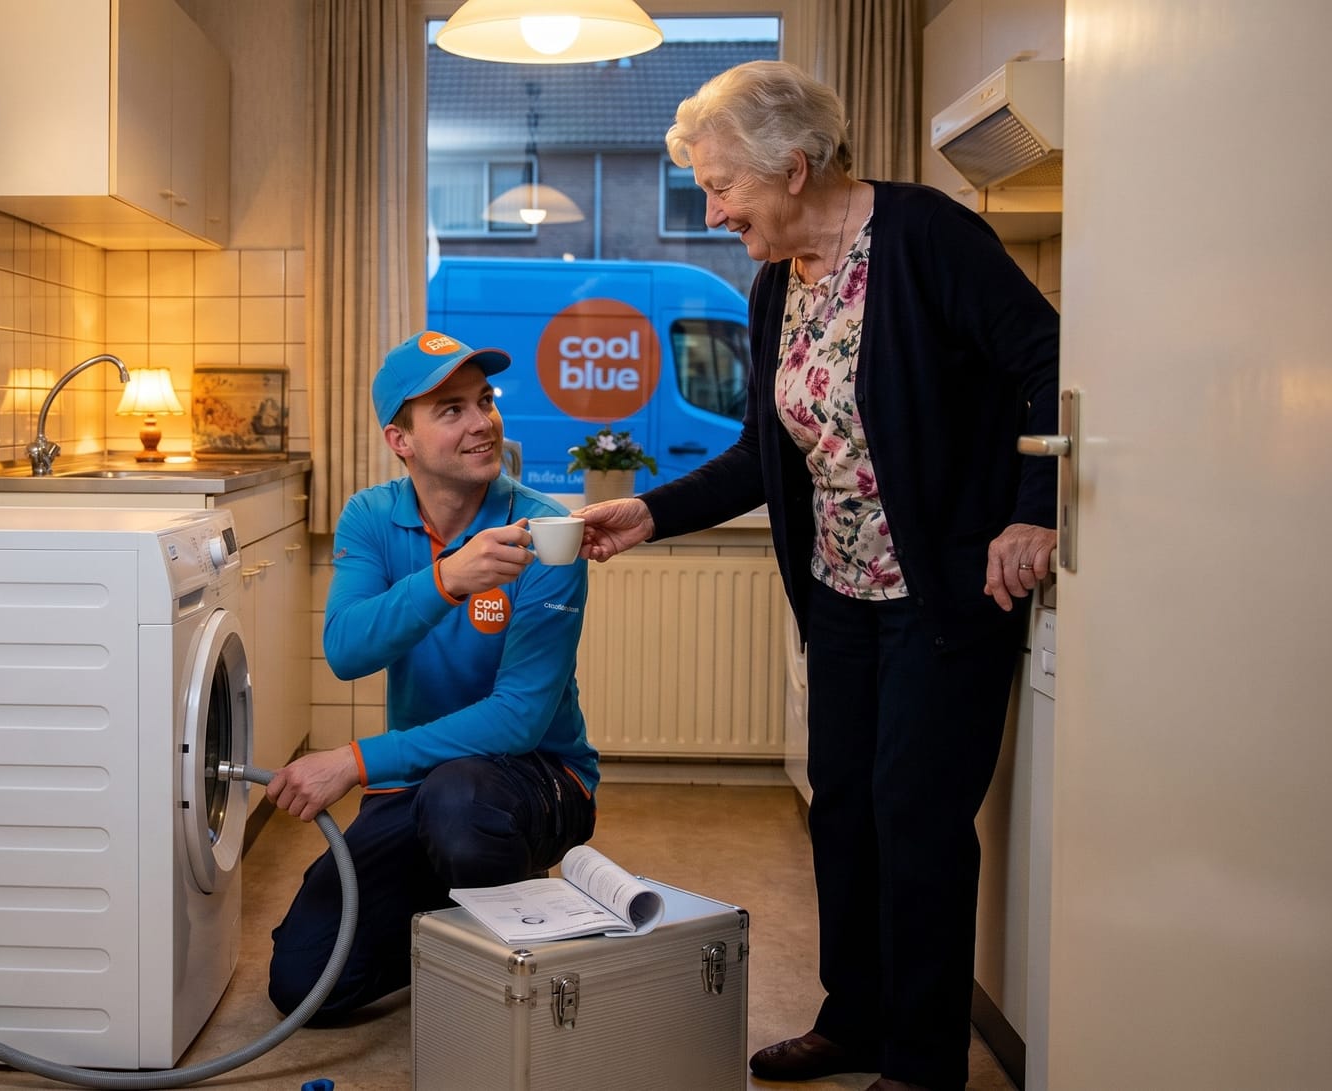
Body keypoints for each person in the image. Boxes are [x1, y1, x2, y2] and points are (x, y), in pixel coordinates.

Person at [576, 61, 1058, 1091]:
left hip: (942, 597)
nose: (710, 213)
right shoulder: (772, 285)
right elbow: (765, 450)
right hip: (839, 594)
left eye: (721, 189)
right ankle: (856, 1018)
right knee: (840, 805)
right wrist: (649, 509)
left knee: (915, 819)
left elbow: (1043, 357)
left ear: (791, 170)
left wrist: (1032, 510)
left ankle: (925, 1060)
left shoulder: (925, 239)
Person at [264, 329, 599, 1019]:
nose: (482, 421)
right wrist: (446, 579)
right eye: (451, 409)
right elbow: (347, 650)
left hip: (539, 775)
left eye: (484, 400)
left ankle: (496, 950)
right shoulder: (371, 516)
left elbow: (518, 717)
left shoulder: (544, 531)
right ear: (401, 440)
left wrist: (355, 760)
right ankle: (463, 910)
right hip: (419, 784)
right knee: (303, 982)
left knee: (461, 802)